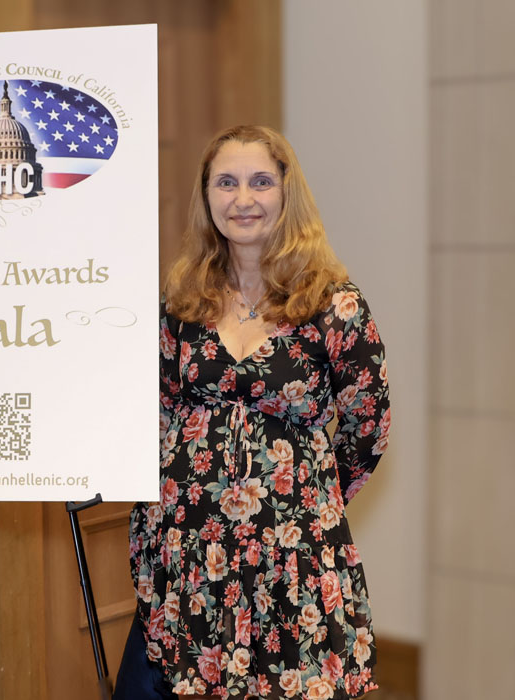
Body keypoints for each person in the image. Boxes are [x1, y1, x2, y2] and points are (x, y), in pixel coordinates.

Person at [114, 126, 389, 699]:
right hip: (188, 550)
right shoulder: (180, 302)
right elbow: (158, 414)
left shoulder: (333, 303)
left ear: (287, 194)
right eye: (227, 183)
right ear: (206, 195)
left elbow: (368, 426)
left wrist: (306, 495)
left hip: (291, 554)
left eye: (261, 182)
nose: (243, 199)